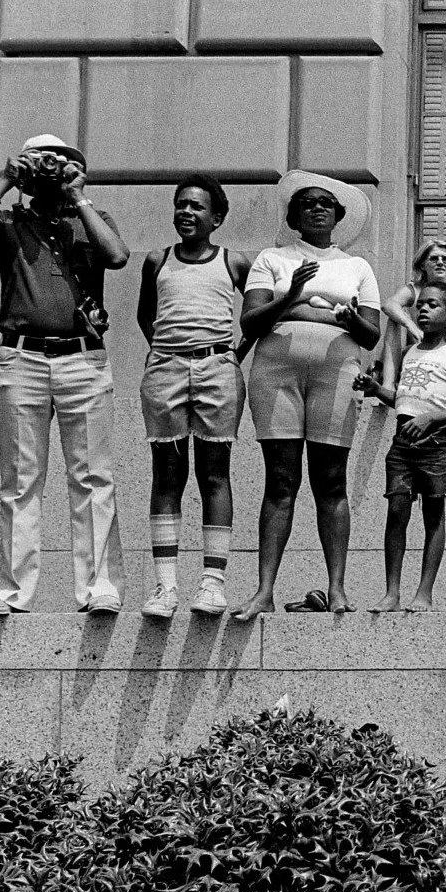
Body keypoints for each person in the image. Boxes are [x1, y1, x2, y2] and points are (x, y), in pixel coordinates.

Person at [0, 134, 130, 616]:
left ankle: (99, 587)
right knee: (19, 480)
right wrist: (6, 179)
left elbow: (117, 256)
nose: (52, 170)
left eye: (62, 162)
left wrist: (79, 197)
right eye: (42, 163)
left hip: (84, 356)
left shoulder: (91, 217)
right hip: (21, 357)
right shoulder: (9, 220)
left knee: (93, 477)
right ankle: (11, 590)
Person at [234, 171, 381, 618]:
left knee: (330, 479)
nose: (316, 208)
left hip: (336, 370)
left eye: (325, 203)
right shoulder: (272, 259)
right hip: (277, 368)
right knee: (281, 480)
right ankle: (264, 590)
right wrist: (293, 295)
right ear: (294, 216)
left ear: (338, 216)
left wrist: (348, 317)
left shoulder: (356, 266)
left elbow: (371, 333)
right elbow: (252, 321)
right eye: (306, 203)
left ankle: (337, 588)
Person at [133, 175, 253, 618]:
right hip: (165, 367)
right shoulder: (156, 260)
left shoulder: (233, 262)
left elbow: (254, 315)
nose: (186, 212)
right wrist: (168, 353)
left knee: (214, 473)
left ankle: (212, 583)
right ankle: (165, 587)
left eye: (197, 207)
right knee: (167, 473)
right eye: (180, 205)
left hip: (217, 368)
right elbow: (148, 316)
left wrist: (229, 355)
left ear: (216, 218)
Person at [356, 282, 446, 611]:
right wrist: (376, 387)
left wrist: (433, 419)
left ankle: (424, 591)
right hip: (402, 439)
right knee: (397, 511)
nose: (422, 309)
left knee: (433, 513)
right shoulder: (411, 351)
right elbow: (402, 400)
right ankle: (392, 592)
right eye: (420, 304)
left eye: (432, 305)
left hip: (435, 442)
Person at [378, 239, 446, 391]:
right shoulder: (414, 288)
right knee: (394, 320)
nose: (440, 262)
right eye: (434, 258)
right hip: (418, 344)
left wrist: (444, 324)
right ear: (422, 265)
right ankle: (388, 384)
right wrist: (411, 326)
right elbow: (389, 305)